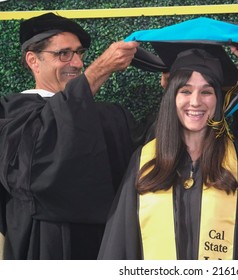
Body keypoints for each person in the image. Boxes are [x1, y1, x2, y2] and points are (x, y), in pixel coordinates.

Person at [98, 36, 238, 259]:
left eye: (206, 92)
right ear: (172, 97)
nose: (195, 102)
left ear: (218, 100)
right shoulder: (144, 161)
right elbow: (120, 245)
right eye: (186, 91)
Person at [0, 13, 153, 259]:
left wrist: (179, 93)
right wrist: (100, 70)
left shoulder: (108, 115)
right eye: (64, 54)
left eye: (79, 53)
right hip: (45, 247)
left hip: (108, 244)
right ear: (33, 60)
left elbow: (150, 149)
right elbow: (38, 157)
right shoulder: (10, 114)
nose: (78, 63)